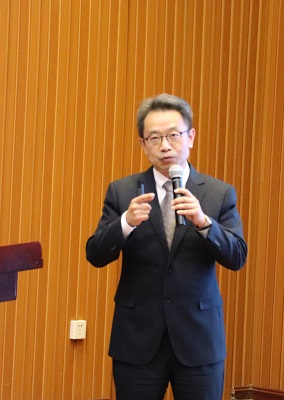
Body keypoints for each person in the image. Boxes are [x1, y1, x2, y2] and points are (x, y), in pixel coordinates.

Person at [85, 93, 247, 399]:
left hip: (199, 340)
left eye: (174, 135)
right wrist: (126, 223)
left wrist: (204, 222)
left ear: (191, 137)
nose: (165, 146)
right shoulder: (123, 191)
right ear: (143, 144)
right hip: (137, 340)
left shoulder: (218, 193)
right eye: (155, 137)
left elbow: (237, 256)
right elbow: (95, 254)